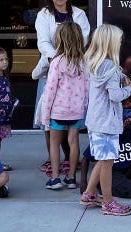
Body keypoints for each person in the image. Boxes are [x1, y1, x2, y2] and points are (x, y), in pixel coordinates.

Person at [33, 0, 90, 175]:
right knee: (49, 121)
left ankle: (69, 160)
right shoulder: (44, 15)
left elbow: (82, 40)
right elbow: (43, 42)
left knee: (71, 120)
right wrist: (57, 59)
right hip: (51, 69)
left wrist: (69, 59)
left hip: (74, 71)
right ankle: (53, 159)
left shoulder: (79, 14)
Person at [80, 24, 131, 216]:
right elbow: (115, 95)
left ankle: (89, 194)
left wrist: (121, 76)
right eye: (118, 41)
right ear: (111, 43)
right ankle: (109, 203)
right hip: (107, 123)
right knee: (108, 162)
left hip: (96, 121)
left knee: (102, 160)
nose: (120, 44)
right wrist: (130, 89)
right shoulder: (110, 66)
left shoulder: (95, 62)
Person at [41, 22, 89, 190]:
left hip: (58, 111)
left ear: (60, 39)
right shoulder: (83, 62)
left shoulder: (56, 62)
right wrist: (84, 108)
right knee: (74, 142)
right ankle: (71, 178)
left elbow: (50, 90)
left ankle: (55, 178)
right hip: (76, 111)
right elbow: (87, 88)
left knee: (54, 143)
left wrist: (45, 115)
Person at [80, 98, 131, 198]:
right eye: (124, 120)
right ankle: (102, 185)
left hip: (128, 170)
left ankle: (126, 184)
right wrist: (83, 181)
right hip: (112, 172)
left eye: (129, 120)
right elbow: (86, 158)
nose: (127, 122)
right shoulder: (108, 135)